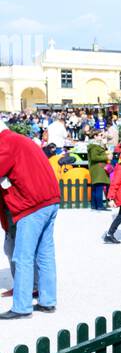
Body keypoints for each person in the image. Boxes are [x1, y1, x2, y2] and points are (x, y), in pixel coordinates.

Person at [0, 121, 60, 318]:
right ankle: (47, 301)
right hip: (49, 200)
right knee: (45, 254)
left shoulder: (6, 142)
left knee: (22, 256)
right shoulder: (20, 140)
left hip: (32, 204)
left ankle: (22, 306)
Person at [87, 135, 111, 210]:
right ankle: (100, 205)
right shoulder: (94, 147)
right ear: (95, 136)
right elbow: (94, 157)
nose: (102, 136)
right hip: (98, 169)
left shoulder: (97, 146)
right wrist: (106, 157)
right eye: (100, 135)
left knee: (96, 187)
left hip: (98, 168)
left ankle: (94, 205)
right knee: (98, 187)